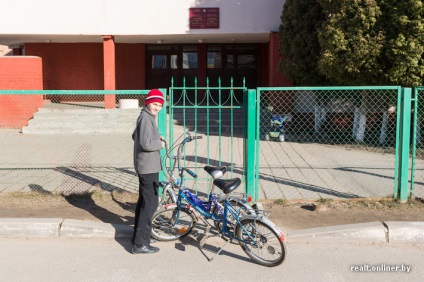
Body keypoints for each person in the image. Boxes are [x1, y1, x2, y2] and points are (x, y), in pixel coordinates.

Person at [131, 89, 165, 254]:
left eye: (159, 105)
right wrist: (160, 144)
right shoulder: (146, 118)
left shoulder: (145, 117)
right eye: (154, 104)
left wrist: (155, 138)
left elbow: (134, 136)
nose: (157, 108)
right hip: (148, 168)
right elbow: (145, 144)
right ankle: (140, 244)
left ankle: (140, 237)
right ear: (147, 102)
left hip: (146, 166)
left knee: (144, 202)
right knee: (150, 204)